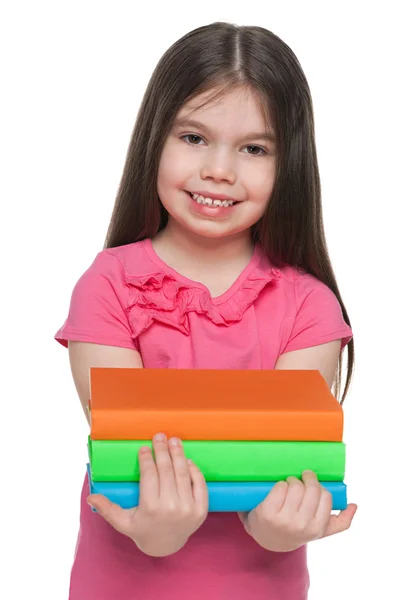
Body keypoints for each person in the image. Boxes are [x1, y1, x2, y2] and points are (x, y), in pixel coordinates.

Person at [54, 21, 357, 599]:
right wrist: (157, 528)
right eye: (193, 137)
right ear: (154, 140)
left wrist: (277, 524)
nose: (219, 170)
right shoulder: (108, 285)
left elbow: (286, 469)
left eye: (253, 148)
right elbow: (126, 454)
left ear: (287, 163)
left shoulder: (308, 306)